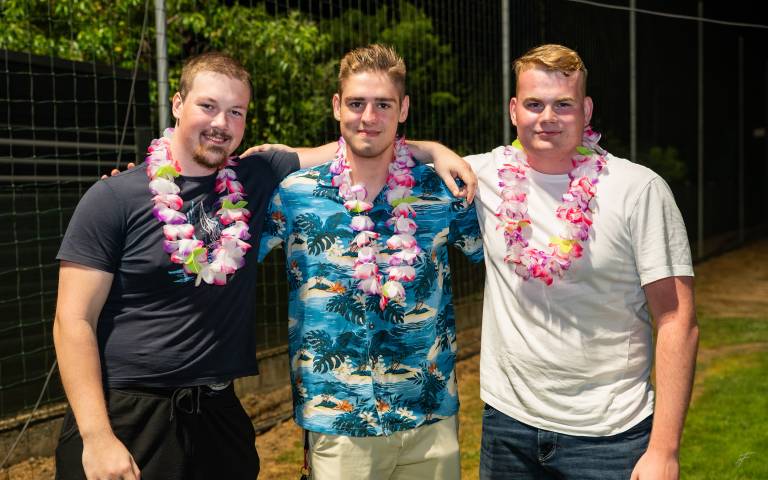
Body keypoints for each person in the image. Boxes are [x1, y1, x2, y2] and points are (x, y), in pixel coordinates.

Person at [54, 50, 476, 479]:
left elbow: (362, 142)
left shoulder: (261, 180)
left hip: (223, 414)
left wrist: (432, 150)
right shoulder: (117, 197)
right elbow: (72, 320)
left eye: (235, 112)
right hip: (133, 410)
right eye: (208, 106)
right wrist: (96, 435)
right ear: (178, 104)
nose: (221, 123)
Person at [448, 44, 697, 479]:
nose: (547, 117)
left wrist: (664, 450)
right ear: (513, 110)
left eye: (563, 104)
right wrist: (436, 151)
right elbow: (383, 160)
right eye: (534, 104)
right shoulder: (482, 177)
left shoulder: (638, 190)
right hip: (508, 426)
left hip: (611, 433)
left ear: (586, 110)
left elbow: (677, 319)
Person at [258, 44, 483, 479]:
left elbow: (504, 249)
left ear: (404, 109)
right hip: (340, 420)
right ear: (336, 106)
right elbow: (225, 245)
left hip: (430, 415)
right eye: (357, 103)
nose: (369, 117)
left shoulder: (441, 189)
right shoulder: (294, 193)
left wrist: (434, 150)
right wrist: (136, 192)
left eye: (383, 104)